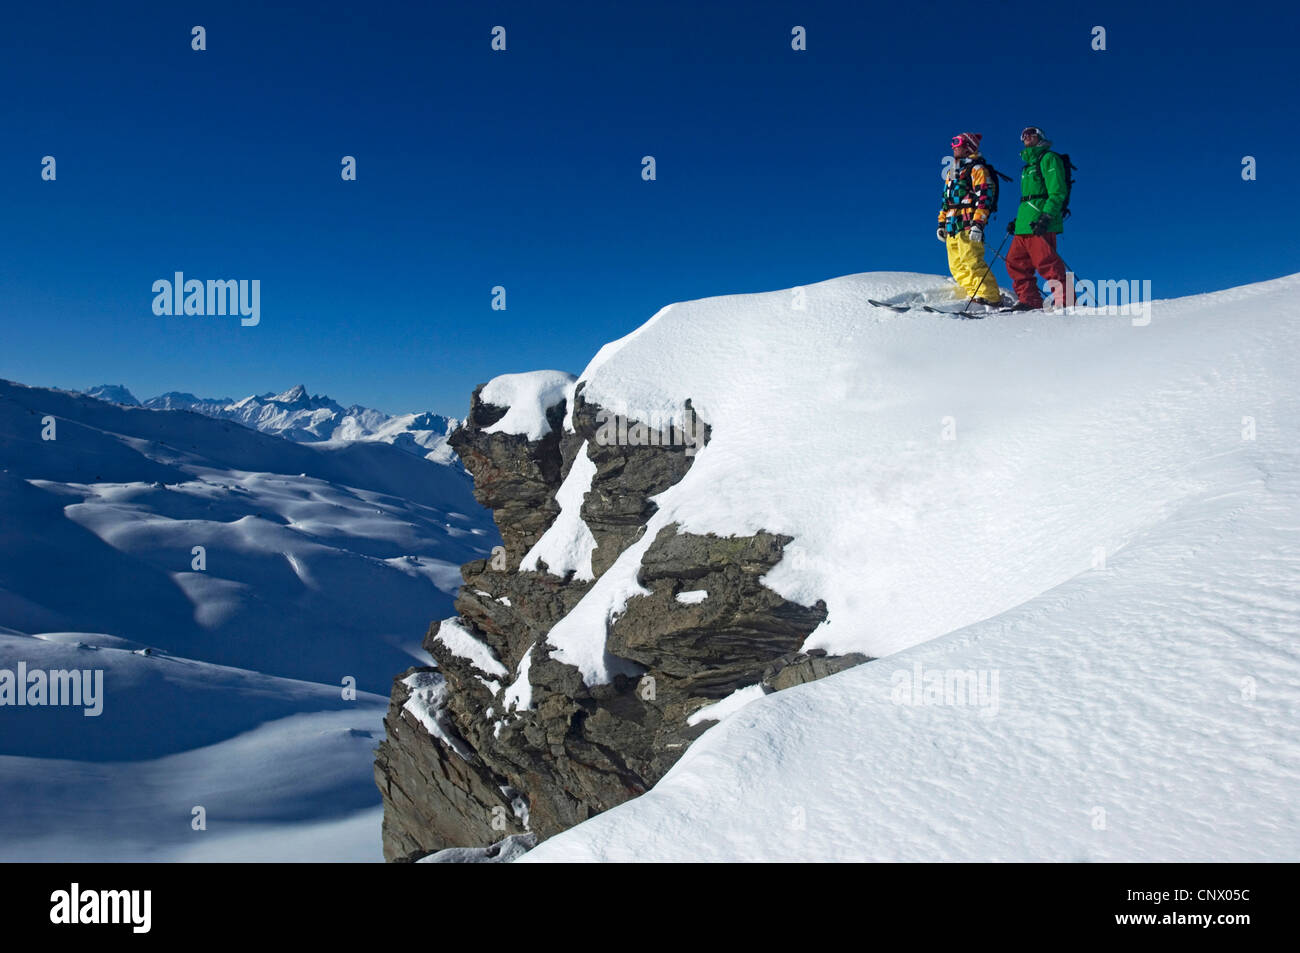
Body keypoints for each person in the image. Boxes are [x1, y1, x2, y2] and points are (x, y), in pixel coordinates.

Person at [1005, 127, 1069, 310]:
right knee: (1015, 262)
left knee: (1047, 262)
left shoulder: (1049, 158)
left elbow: (1057, 191)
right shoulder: (1027, 167)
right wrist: (1017, 222)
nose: (1025, 137)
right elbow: (1028, 200)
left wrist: (1047, 216)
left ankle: (1065, 301)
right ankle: (1030, 300)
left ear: (1039, 137)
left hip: (1041, 222)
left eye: (1030, 134)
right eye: (1023, 135)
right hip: (1024, 224)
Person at [937, 132, 1002, 307]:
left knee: (972, 261)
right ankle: (975, 294)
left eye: (957, 142)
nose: (953, 146)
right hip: (952, 224)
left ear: (969, 147)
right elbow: (946, 201)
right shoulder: (952, 172)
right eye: (953, 142)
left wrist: (978, 224)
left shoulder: (977, 169)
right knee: (956, 265)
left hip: (968, 223)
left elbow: (985, 197)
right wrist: (941, 223)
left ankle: (989, 296)